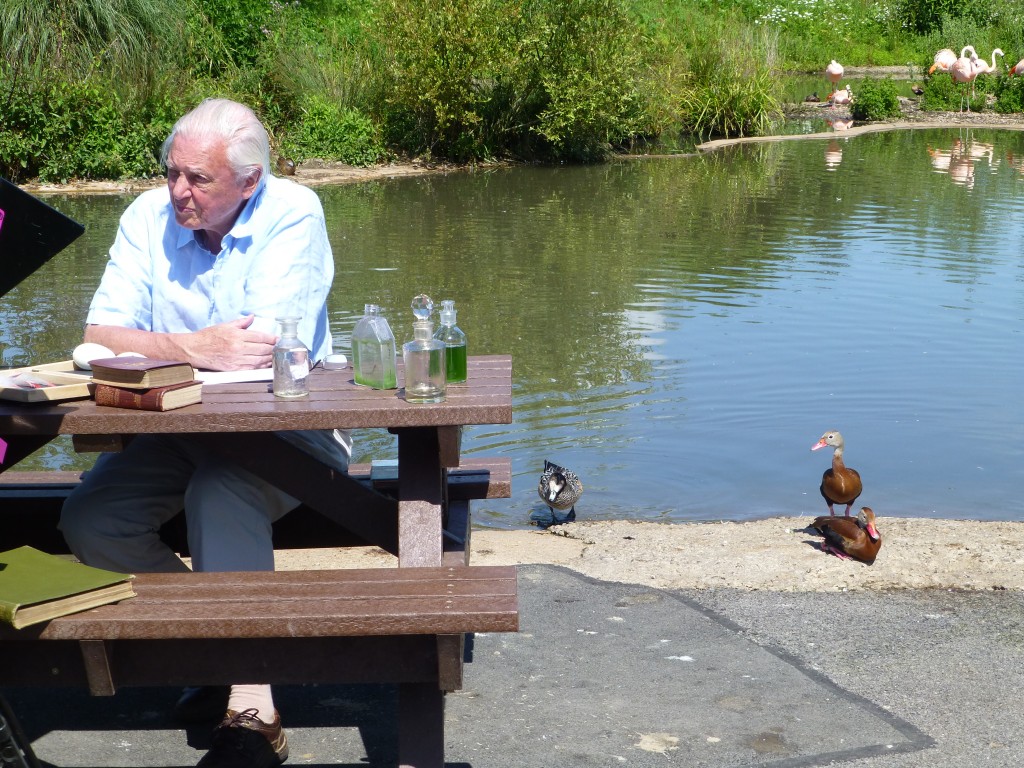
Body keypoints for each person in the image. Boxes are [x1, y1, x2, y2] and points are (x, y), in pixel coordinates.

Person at [59, 97, 350, 768]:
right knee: (92, 518)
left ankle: (255, 715)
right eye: (171, 173)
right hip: (176, 431)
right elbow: (98, 335)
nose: (178, 192)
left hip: (291, 436)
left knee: (221, 494)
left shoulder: (294, 212)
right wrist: (194, 345)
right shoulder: (145, 216)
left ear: (249, 182)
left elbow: (269, 346)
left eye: (199, 179)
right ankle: (211, 651)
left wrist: (161, 348)